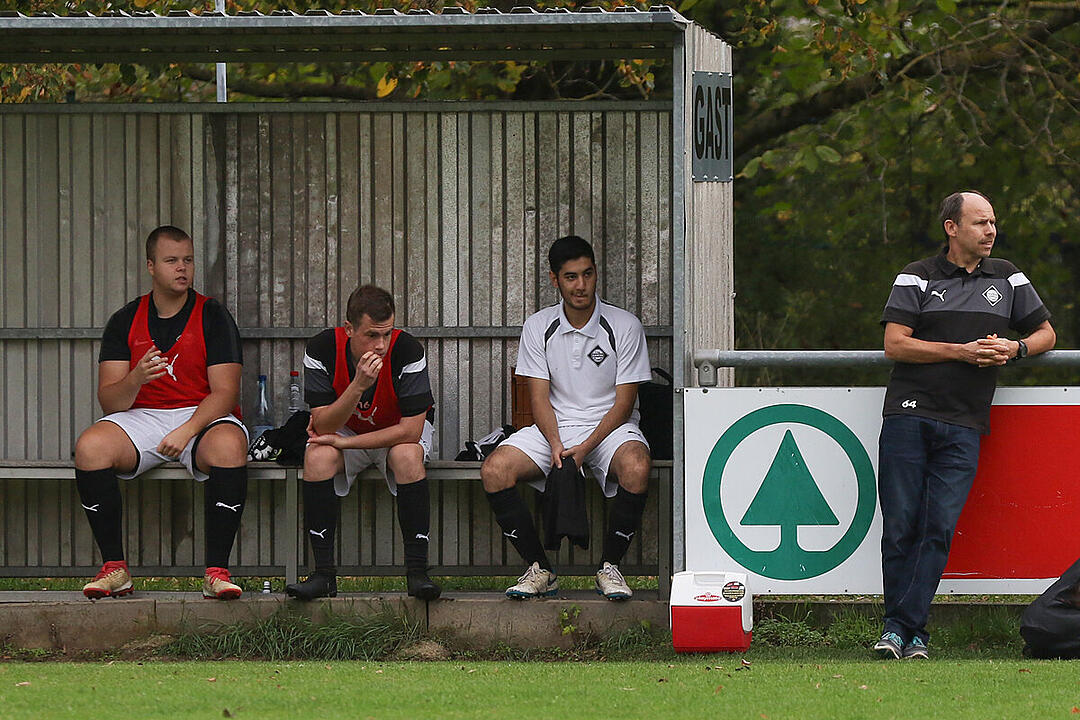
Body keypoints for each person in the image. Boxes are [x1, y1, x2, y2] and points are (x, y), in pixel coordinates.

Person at [874, 191, 1055, 659]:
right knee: (900, 527)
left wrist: (1015, 349)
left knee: (937, 527)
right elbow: (895, 344)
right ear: (951, 228)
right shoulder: (917, 275)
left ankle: (901, 630)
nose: (990, 231)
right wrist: (961, 350)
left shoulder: (1009, 275)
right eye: (980, 223)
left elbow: (1046, 333)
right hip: (908, 415)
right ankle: (908, 632)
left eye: (993, 222)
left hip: (965, 423)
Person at [75, 225, 248, 600]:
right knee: (90, 447)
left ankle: (217, 572)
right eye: (172, 261)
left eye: (187, 260)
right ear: (151, 266)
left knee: (229, 448)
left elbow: (225, 392)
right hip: (143, 415)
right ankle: (115, 569)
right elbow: (111, 401)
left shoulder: (213, 316)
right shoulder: (125, 319)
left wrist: (187, 431)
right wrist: (136, 378)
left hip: (202, 415)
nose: (182, 268)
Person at [481, 235, 653, 601]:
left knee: (637, 466)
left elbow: (624, 403)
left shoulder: (624, 325)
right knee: (495, 470)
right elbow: (538, 397)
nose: (581, 285)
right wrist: (558, 445)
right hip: (554, 428)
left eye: (587, 274)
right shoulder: (538, 326)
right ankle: (540, 570)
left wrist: (585, 447)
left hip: (611, 428)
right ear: (554, 279)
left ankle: (610, 568)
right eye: (571, 277)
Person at [285, 285, 440, 601]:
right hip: (345, 430)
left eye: (387, 334)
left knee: (408, 457)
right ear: (348, 329)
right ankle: (323, 575)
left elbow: (412, 430)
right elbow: (324, 424)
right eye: (371, 335)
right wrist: (357, 386)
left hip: (396, 433)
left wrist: (346, 446)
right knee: (316, 457)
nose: (381, 345)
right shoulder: (321, 349)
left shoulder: (408, 350)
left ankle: (417, 573)